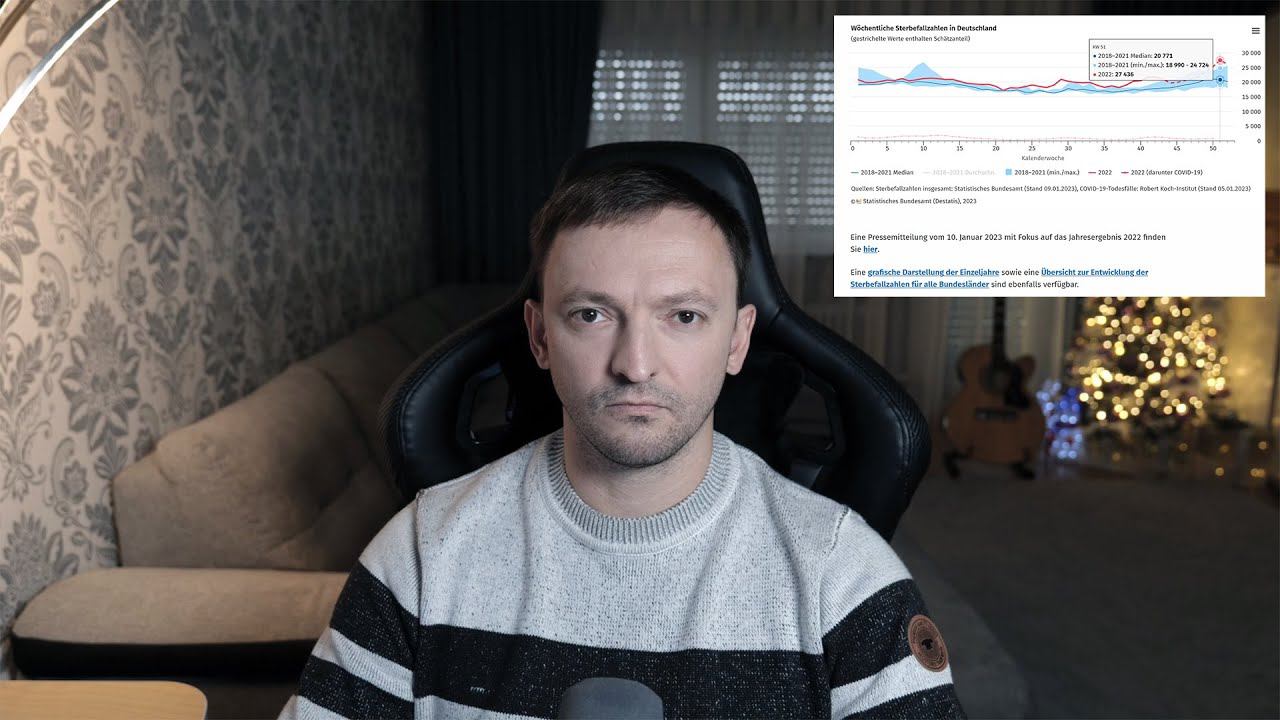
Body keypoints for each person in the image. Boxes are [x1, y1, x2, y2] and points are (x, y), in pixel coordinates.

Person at [279, 163, 966, 719]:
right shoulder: (422, 552)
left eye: (683, 316)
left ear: (737, 340)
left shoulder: (842, 574)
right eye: (591, 314)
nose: (636, 365)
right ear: (540, 337)